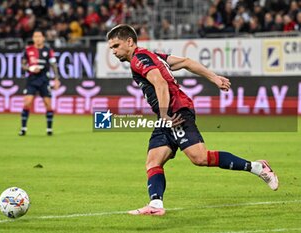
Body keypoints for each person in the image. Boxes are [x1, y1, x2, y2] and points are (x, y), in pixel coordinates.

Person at [106, 24, 279, 216]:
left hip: (174, 112)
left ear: (129, 42)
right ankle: (155, 204)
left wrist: (164, 115)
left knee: (200, 158)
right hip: (169, 113)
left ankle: (258, 167)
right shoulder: (153, 56)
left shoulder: (138, 59)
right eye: (111, 48)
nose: (113, 51)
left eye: (116, 46)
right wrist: (214, 78)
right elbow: (186, 62)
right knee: (153, 160)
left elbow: (161, 83)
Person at [19, 29, 60, 136]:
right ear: (33, 39)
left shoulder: (48, 50)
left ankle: (49, 129)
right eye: (35, 36)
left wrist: (56, 79)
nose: (37, 38)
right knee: (27, 102)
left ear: (43, 38)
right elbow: (22, 65)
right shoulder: (28, 50)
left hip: (44, 80)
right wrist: (29, 69)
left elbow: (54, 65)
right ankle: (23, 129)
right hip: (32, 79)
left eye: (39, 36)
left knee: (48, 105)